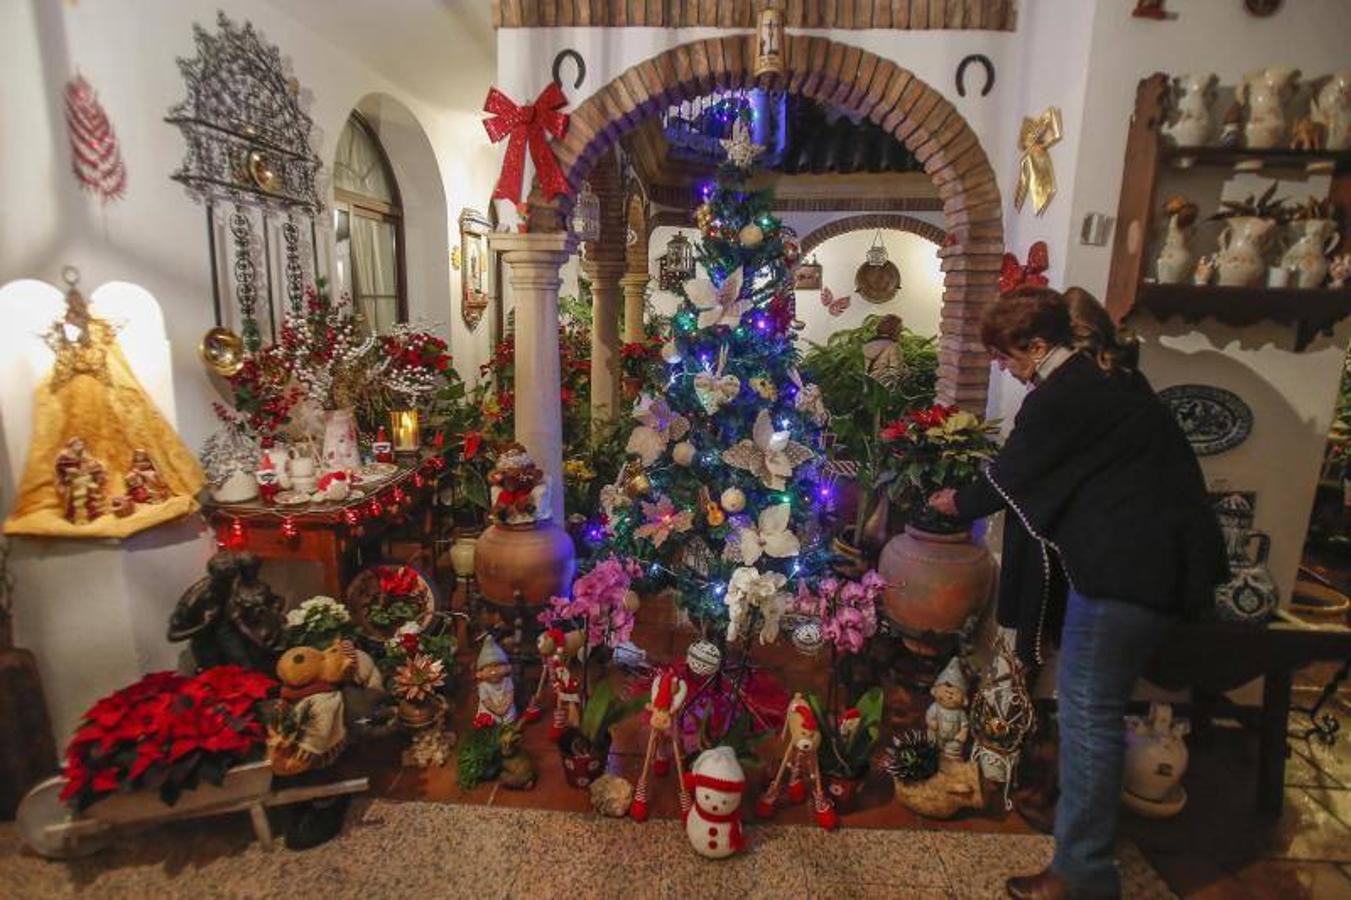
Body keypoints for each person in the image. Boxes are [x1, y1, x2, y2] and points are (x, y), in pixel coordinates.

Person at [928, 287, 1225, 900]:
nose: (1007, 369)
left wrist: (952, 501)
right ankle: (1081, 847)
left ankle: (1084, 873)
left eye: (1007, 357)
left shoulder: (1065, 396)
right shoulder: (1109, 380)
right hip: (1155, 567)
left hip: (1125, 575)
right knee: (1095, 711)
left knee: (1090, 715)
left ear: (1038, 346)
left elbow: (1010, 476)